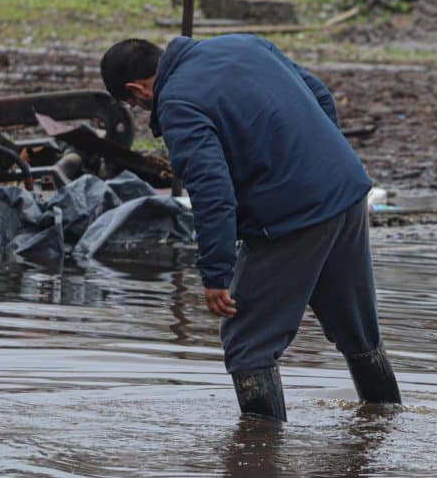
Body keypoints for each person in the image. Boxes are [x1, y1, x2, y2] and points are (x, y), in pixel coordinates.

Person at [100, 34, 400, 421]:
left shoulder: (176, 102)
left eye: (132, 104)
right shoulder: (242, 44)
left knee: (247, 344)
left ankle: (257, 456)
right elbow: (320, 95)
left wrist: (215, 273)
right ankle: (386, 427)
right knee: (357, 328)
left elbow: (212, 192)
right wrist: (323, 165)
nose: (141, 109)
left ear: (135, 89)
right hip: (347, 193)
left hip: (292, 218)